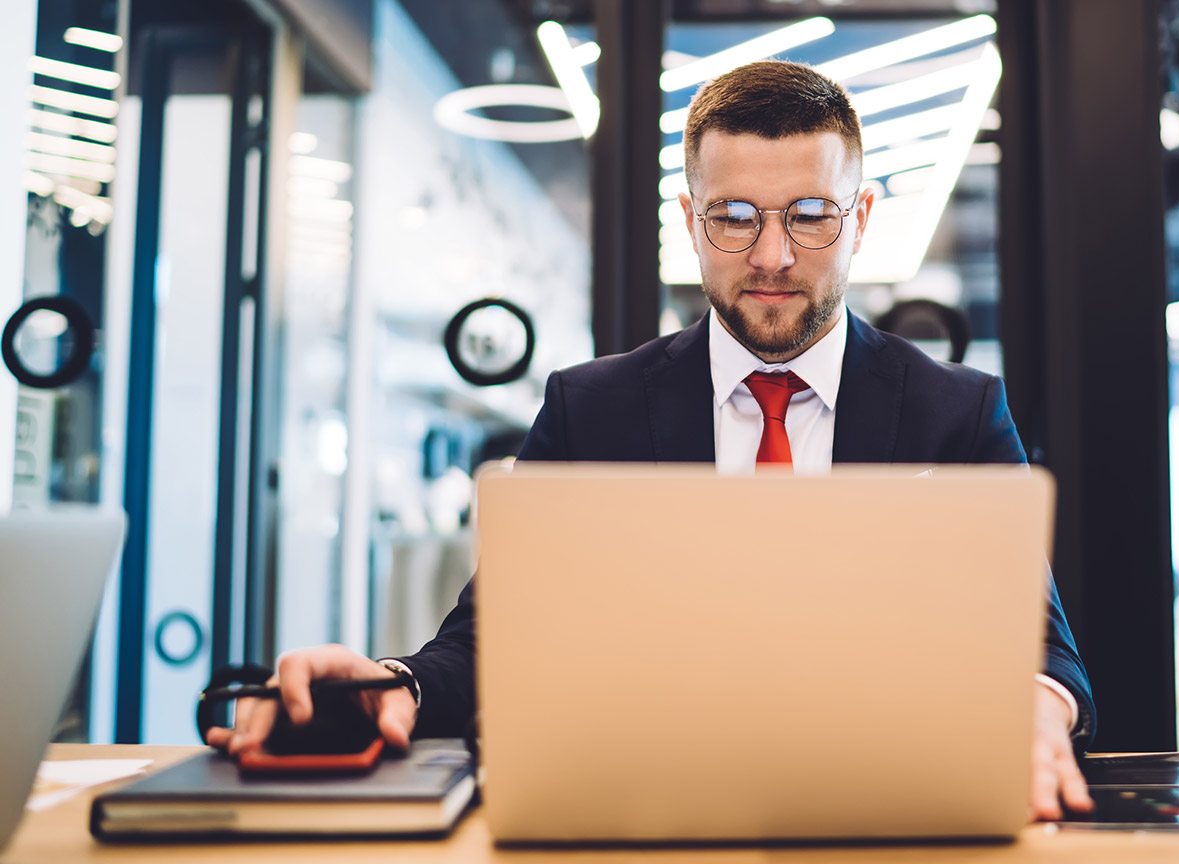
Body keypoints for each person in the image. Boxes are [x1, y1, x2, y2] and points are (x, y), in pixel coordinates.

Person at [209, 60, 1096, 820]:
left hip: (885, 815)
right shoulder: (592, 408)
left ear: (860, 218)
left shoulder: (959, 411)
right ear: (689, 220)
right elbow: (492, 643)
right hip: (641, 815)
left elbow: (1045, 653)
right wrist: (384, 686)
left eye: (811, 214)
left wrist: (1031, 710)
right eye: (735, 216)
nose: (775, 256)